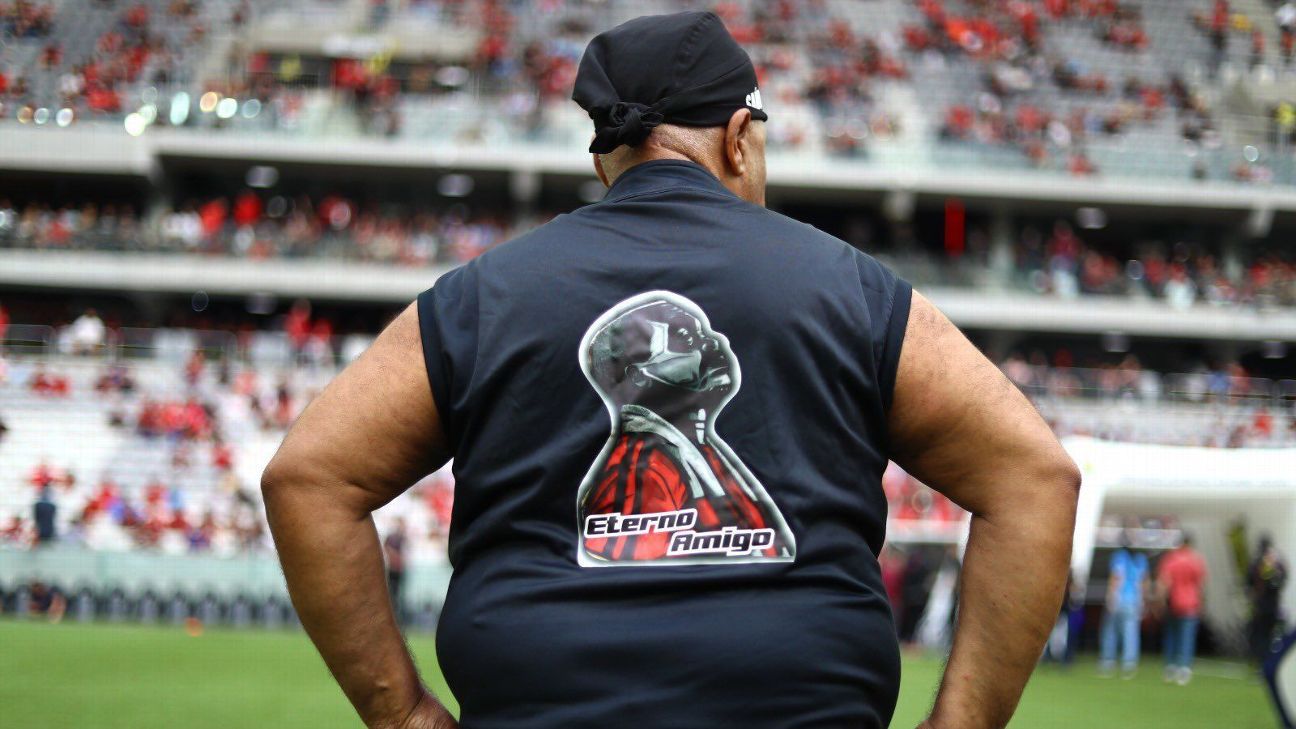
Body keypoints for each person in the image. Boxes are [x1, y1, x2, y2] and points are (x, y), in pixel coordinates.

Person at [262, 12, 1080, 729]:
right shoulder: (849, 287)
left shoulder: (483, 297)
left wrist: (400, 713)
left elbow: (309, 475)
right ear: (736, 137)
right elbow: (1035, 475)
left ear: (605, 166)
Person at [1157, 533, 1208, 684]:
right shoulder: (1196, 560)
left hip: (1173, 603)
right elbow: (1201, 585)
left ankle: (1170, 667)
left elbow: (1163, 582)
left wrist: (1160, 602)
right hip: (1190, 604)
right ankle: (1184, 668)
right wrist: (1202, 603)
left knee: (1171, 636)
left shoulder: (1171, 559)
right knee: (1187, 638)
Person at [1099, 531, 1149, 678]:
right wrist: (1143, 601)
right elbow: (1143, 582)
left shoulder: (1119, 556)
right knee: (1130, 634)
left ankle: (1108, 660)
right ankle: (1129, 663)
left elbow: (1116, 577)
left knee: (1110, 631)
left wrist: (1110, 597)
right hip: (1134, 601)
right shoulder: (1140, 559)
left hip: (1120, 599)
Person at [1249, 535, 1289, 665]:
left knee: (1260, 634)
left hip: (1260, 604)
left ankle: (1261, 660)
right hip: (1273, 604)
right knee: (1270, 634)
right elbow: (1283, 579)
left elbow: (1248, 581)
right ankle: (1268, 660)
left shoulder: (1257, 562)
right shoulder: (1278, 562)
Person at [383, 517, 408, 624]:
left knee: (397, 595)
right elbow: (387, 548)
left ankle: (397, 618)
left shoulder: (402, 538)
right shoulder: (392, 537)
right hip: (393, 569)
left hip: (398, 570)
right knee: (391, 594)